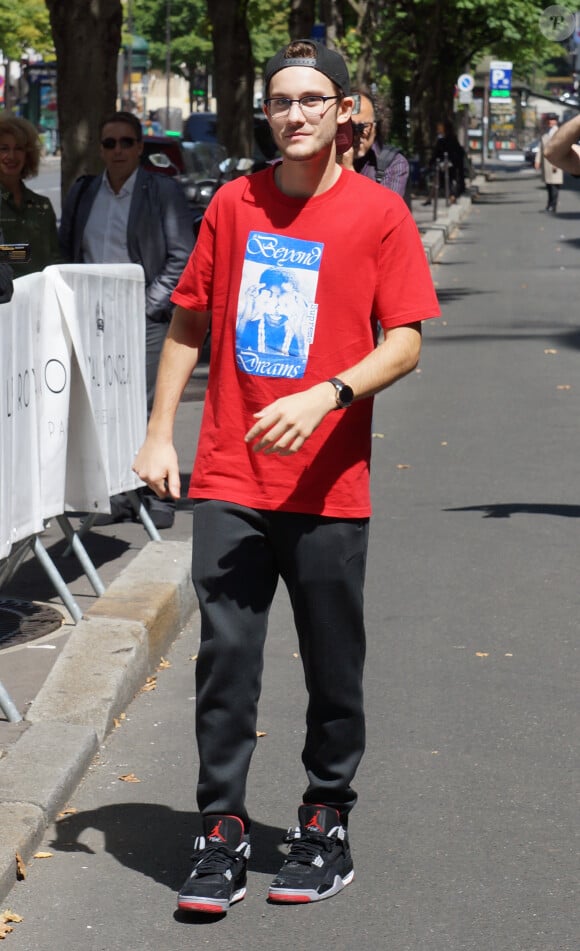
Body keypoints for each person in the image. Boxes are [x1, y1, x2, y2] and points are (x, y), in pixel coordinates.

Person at [133, 38, 440, 914]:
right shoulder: (234, 204)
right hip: (232, 470)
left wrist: (327, 396)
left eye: (312, 100)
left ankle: (323, 820)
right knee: (225, 657)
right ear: (264, 113)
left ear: (345, 112)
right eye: (280, 102)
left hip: (329, 484)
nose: (294, 115)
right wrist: (161, 434)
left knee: (332, 664)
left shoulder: (380, 214)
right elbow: (190, 322)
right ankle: (219, 831)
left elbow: (407, 339)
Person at [59, 110, 194, 528]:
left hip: (146, 318)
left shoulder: (162, 190)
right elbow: (71, 253)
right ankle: (119, 494)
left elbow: (181, 257)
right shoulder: (83, 192)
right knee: (108, 408)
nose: (117, 150)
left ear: (139, 147)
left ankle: (161, 498)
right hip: (94, 321)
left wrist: (148, 306)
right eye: (108, 143)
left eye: (125, 142)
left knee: (152, 407)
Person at [0, 115, 60, 276]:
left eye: (18, 148)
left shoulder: (42, 205)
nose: (11, 156)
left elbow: (56, 259)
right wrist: (26, 253)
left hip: (42, 298)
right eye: (4, 148)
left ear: (28, 155)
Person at [340, 90, 411, 205]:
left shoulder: (393, 163)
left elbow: (386, 213)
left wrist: (349, 172)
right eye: (350, 128)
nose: (357, 136)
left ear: (376, 127)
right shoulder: (329, 160)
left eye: (363, 127)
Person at [424, 119, 467, 204]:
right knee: (445, 182)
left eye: (440, 127)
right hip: (453, 165)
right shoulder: (452, 138)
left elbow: (437, 152)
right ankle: (450, 196)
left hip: (448, 165)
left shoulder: (444, 139)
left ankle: (450, 196)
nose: (438, 129)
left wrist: (430, 163)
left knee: (443, 181)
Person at [535, 113, 564, 213]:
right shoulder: (546, 132)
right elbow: (541, 148)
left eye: (553, 120)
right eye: (549, 120)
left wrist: (557, 162)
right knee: (548, 185)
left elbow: (560, 149)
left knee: (555, 185)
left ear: (556, 121)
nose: (551, 122)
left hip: (555, 163)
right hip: (546, 163)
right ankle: (549, 204)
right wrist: (537, 160)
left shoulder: (560, 132)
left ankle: (553, 205)